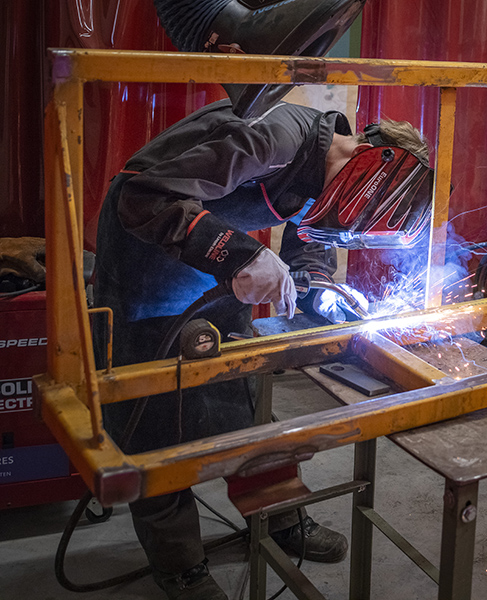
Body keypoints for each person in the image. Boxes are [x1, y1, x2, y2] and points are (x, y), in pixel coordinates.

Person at [93, 98, 431, 600]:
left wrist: (316, 283)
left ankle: (278, 517)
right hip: (148, 264)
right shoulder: (272, 136)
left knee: (245, 397)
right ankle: (180, 564)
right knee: (156, 424)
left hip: (213, 272)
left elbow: (310, 229)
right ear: (373, 162)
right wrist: (240, 254)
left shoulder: (322, 168)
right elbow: (143, 196)